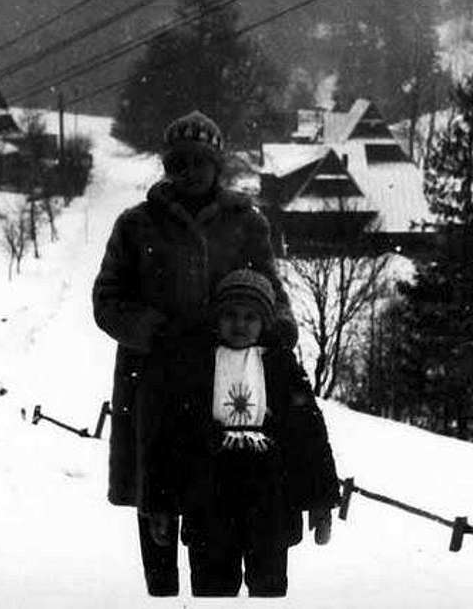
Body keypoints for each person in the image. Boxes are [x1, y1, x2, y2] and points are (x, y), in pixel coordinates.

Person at [92, 111, 297, 596]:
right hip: (152, 376)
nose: (190, 171)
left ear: (217, 166)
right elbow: (107, 301)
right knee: (156, 487)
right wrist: (154, 331)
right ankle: (161, 595)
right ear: (167, 165)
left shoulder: (245, 223)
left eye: (200, 161)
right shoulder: (136, 225)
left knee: (219, 492)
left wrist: (280, 327)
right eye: (179, 161)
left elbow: (270, 286)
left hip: (227, 375)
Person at [174, 268, 340, 597]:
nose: (240, 324)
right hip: (211, 502)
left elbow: (309, 438)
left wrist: (320, 502)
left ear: (264, 322)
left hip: (270, 504)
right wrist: (162, 505)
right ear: (216, 319)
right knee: (212, 590)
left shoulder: (280, 367)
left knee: (268, 590)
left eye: (251, 317)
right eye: (231, 315)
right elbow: (173, 436)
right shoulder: (198, 366)